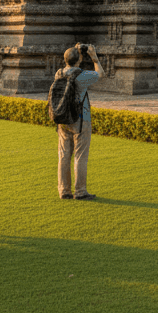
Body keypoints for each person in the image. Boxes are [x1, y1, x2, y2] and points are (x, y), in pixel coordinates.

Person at [55, 43, 103, 200]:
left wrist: (75, 54)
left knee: (63, 155)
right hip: (81, 120)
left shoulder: (59, 73)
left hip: (62, 118)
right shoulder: (82, 76)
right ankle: (81, 191)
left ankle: (64, 190)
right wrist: (94, 57)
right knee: (80, 156)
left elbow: (70, 64)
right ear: (79, 60)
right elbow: (100, 74)